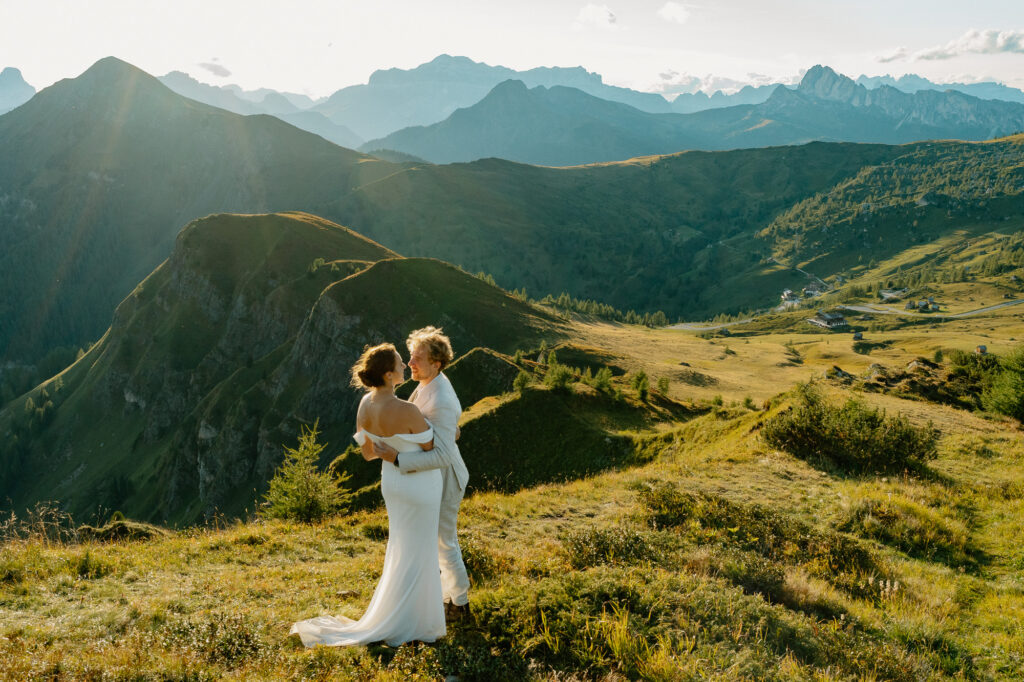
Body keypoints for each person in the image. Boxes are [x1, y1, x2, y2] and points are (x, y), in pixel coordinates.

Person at [290, 343, 445, 647]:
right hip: (418, 484)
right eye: (401, 363)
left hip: (392, 484)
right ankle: (416, 622)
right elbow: (430, 448)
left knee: (402, 547)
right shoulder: (408, 410)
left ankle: (403, 614)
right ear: (388, 375)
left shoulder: (364, 404)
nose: (405, 366)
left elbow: (367, 454)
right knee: (421, 549)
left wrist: (390, 450)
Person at [372, 327, 470, 621]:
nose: (410, 363)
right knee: (435, 538)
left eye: (417, 358)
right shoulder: (428, 384)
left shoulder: (440, 396)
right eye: (411, 356)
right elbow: (444, 430)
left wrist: (398, 458)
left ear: (437, 363)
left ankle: (461, 605)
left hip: (447, 477)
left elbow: (442, 454)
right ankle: (445, 599)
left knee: (444, 539)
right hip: (432, 479)